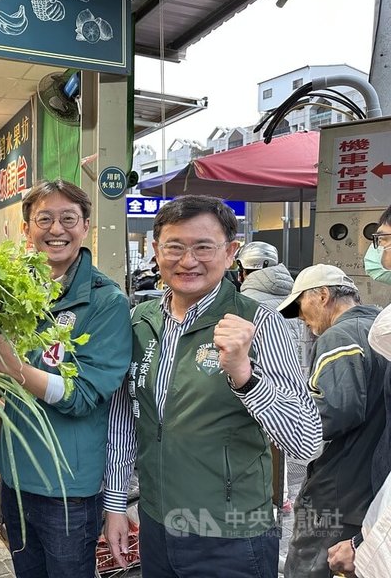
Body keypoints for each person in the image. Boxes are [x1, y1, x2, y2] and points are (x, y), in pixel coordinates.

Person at [104, 194, 322, 578]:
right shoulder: (141, 319)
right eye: (174, 246)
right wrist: (116, 504)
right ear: (156, 250)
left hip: (231, 536)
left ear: (230, 252)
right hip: (156, 522)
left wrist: (245, 375)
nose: (188, 261)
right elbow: (125, 418)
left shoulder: (259, 323)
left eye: (204, 247)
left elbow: (306, 440)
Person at [0, 179, 132, 577]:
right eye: (44, 219)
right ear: (27, 227)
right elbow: (1, 380)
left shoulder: (106, 301)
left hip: (68, 488)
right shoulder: (11, 292)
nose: (56, 229)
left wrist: (16, 369)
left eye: (68, 218)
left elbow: (83, 395)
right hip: (14, 476)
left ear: (85, 226)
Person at [275, 264, 387, 577]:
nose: (301, 318)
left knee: (310, 567)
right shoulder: (379, 326)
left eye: (301, 306)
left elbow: (338, 411)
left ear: (323, 296)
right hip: (374, 487)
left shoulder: (339, 336)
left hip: (339, 488)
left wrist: (286, 414)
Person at [327, 205, 391, 577]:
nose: (378, 252)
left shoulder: (341, 336)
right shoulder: (372, 318)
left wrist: (365, 548)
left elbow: (338, 411)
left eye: (382, 239)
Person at [237, 240, 317, 513]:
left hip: (258, 393)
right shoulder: (295, 301)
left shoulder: (245, 305)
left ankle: (276, 496)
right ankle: (290, 496)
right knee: (294, 446)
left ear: (242, 270)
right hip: (300, 385)